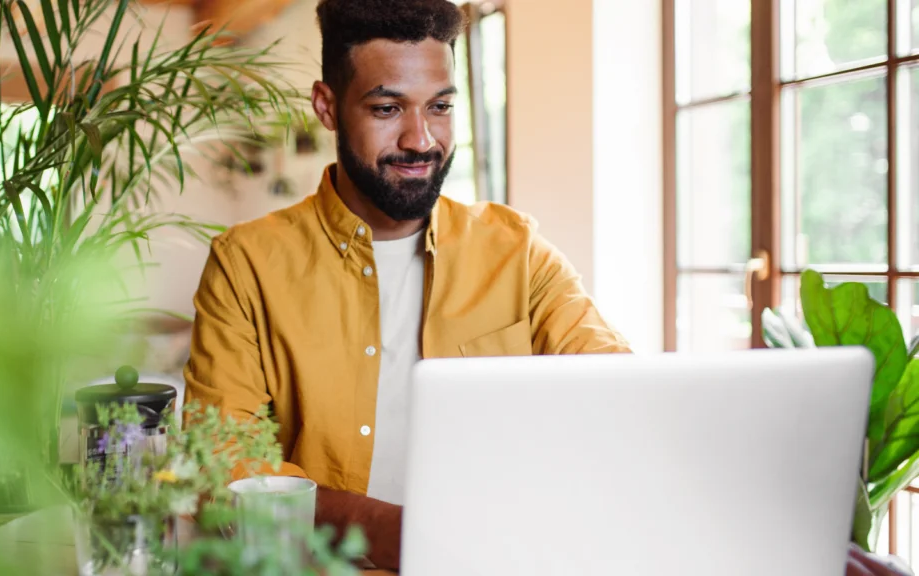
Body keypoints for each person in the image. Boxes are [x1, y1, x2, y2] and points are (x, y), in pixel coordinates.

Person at [183, 1, 904, 574]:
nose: (420, 140)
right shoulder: (245, 265)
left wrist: (772, 541)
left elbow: (620, 397)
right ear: (325, 104)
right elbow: (227, 477)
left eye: (439, 105)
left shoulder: (514, 249)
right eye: (385, 107)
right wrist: (410, 537)